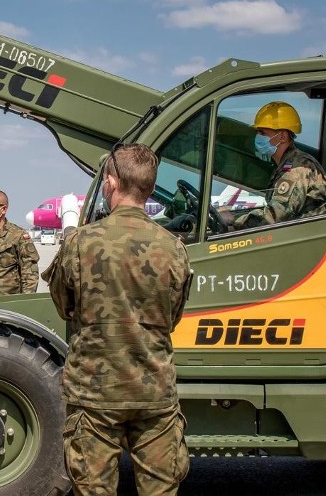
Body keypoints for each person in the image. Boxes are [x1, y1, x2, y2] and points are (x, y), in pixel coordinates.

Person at [44, 143, 192, 495]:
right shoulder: (173, 247)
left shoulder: (80, 242)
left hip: (94, 393)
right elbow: (172, 318)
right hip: (153, 391)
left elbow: (64, 306)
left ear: (110, 182)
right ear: (151, 189)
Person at [234, 101, 326, 229]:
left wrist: (234, 220)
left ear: (282, 137)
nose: (258, 137)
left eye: (262, 133)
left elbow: (274, 218)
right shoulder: (287, 165)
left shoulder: (297, 169)